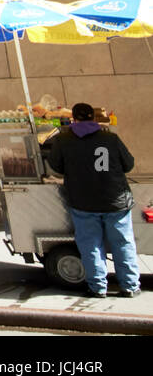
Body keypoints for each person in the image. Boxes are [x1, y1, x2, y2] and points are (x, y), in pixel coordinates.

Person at [45, 103, 141, 298]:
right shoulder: (110, 138)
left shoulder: (63, 140)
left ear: (73, 119)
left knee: (90, 245)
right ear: (94, 118)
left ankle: (98, 287)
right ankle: (129, 286)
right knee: (122, 242)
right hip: (115, 200)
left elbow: (55, 166)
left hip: (83, 201)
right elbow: (128, 164)